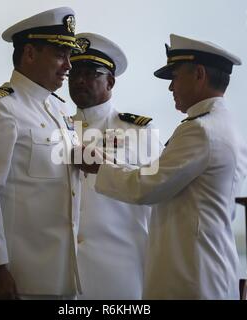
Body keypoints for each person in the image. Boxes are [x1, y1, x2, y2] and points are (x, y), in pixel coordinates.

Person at [75, 34, 247, 299]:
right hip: (203, 269)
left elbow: (147, 187)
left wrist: (100, 166)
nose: (170, 88)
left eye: (175, 77)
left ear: (199, 74)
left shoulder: (201, 130)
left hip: (193, 275)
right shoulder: (221, 124)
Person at [0, 7, 83, 300]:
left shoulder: (59, 110)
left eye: (69, 55)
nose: (69, 66)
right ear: (30, 53)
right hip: (14, 276)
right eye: (60, 54)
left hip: (56, 273)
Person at [68, 33, 162, 299]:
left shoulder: (140, 131)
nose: (79, 81)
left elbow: (158, 196)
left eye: (90, 74)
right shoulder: (56, 129)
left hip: (122, 271)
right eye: (74, 74)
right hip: (63, 273)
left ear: (110, 81)